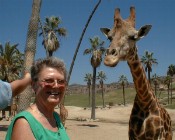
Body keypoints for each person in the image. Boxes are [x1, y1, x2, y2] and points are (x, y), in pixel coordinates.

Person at [6, 57, 70, 140]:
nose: (56, 85)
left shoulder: (56, 118)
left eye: (61, 81)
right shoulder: (25, 123)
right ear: (34, 85)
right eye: (49, 80)